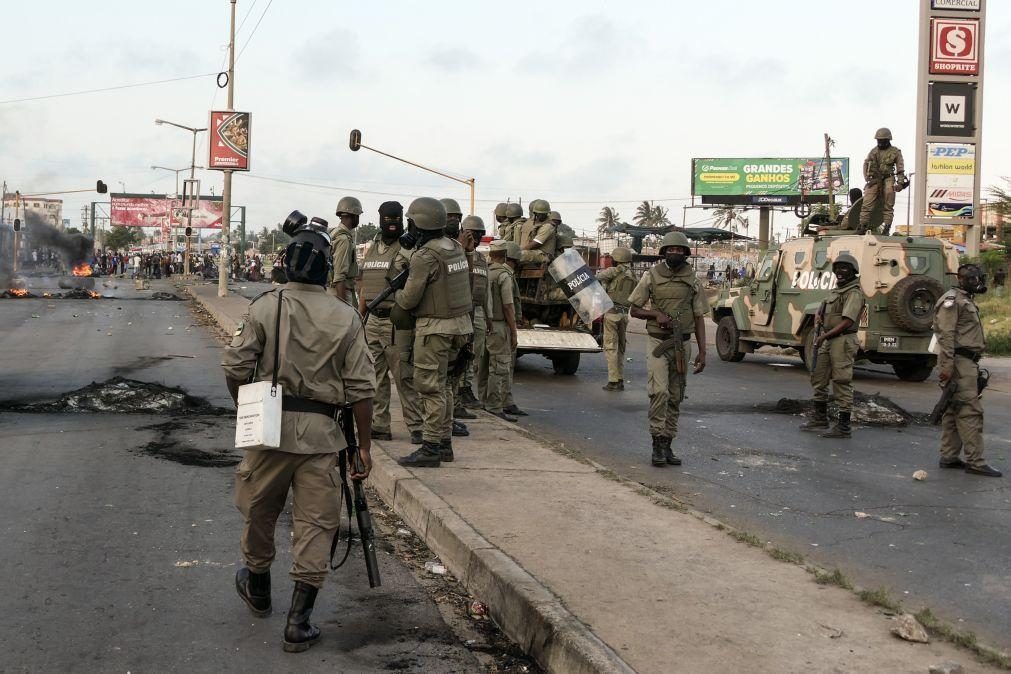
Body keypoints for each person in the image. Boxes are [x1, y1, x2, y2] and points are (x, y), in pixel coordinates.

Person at [222, 213, 376, 652]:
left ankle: (258, 588)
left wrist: (246, 407)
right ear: (328, 269)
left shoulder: (265, 305)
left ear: (286, 263)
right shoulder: (346, 317)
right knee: (316, 524)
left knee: (257, 510)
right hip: (323, 435)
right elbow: (362, 391)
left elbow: (234, 368)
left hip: (267, 429)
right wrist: (363, 449)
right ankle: (298, 621)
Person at [393, 197, 473, 467]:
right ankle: (444, 444)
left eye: (412, 222)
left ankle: (430, 448)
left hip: (435, 330)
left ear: (420, 223)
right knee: (446, 386)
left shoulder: (424, 256)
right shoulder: (454, 247)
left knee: (430, 388)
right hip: (460, 326)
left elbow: (408, 300)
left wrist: (398, 290)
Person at [629, 231, 708, 467]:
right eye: (670, 249)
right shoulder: (651, 276)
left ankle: (667, 443)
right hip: (658, 342)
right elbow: (634, 309)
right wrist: (655, 314)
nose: (675, 253)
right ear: (664, 253)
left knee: (675, 396)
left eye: (679, 250)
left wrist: (703, 352)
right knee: (659, 392)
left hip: (683, 345)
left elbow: (699, 317)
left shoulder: (693, 280)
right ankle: (656, 442)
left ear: (686, 253)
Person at [357, 201, 424, 445]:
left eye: (396, 218)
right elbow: (364, 286)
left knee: (404, 376)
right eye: (388, 218)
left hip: (397, 321)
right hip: (372, 320)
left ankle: (417, 427)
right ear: (380, 219)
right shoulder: (372, 247)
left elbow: (417, 284)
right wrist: (360, 317)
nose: (392, 223)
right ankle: (380, 426)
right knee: (375, 378)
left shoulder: (408, 249)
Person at [932, 264, 1002, 477]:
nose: (979, 283)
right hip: (959, 362)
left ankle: (949, 455)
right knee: (970, 411)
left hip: (966, 361)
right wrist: (947, 367)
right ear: (964, 280)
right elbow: (945, 335)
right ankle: (976, 461)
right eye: (975, 279)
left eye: (979, 279)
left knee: (954, 410)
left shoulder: (964, 300)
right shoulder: (952, 301)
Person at [799, 253, 864, 439]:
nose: (839, 272)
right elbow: (827, 311)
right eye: (837, 268)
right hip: (828, 339)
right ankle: (820, 417)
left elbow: (846, 321)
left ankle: (843, 427)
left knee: (842, 381)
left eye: (844, 268)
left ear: (853, 271)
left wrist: (824, 336)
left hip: (843, 340)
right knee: (818, 377)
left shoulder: (853, 292)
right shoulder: (836, 291)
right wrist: (820, 318)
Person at [456, 215, 490, 410]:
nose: (476, 238)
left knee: (473, 355)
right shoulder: (457, 254)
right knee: (461, 353)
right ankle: (459, 392)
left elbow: (484, 290)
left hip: (477, 311)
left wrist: (488, 316)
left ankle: (466, 388)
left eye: (479, 234)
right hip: (461, 311)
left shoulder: (481, 259)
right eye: (472, 233)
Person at [484, 240, 519, 421]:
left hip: (483, 324)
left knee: (484, 367)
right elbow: (508, 306)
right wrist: (513, 332)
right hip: (498, 325)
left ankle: (486, 401)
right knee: (499, 367)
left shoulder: (485, 272)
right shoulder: (504, 276)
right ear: (505, 256)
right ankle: (494, 406)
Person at [597, 246, 637, 391]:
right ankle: (620, 379)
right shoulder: (633, 275)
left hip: (612, 313)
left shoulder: (614, 271)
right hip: (625, 314)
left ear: (616, 259)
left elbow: (597, 278)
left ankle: (613, 381)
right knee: (621, 348)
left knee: (610, 347)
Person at [859, 128, 906, 234]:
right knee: (867, 201)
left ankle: (886, 228)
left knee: (889, 200)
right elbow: (866, 163)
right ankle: (863, 226)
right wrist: (866, 177)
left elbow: (900, 168)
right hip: (875, 179)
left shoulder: (895, 152)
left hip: (888, 177)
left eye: (882, 140)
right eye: (878, 140)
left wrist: (900, 183)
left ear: (888, 140)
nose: (880, 142)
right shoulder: (873, 151)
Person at [328, 196, 363, 305]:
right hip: (342, 292)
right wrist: (343, 308)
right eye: (357, 216)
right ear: (353, 216)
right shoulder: (343, 239)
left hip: (331, 292)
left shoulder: (333, 233)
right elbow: (339, 277)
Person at [519, 199, 556, 263]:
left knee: (520, 254)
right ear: (535, 213)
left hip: (544, 255)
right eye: (539, 214)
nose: (541, 216)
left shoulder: (548, 226)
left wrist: (519, 250)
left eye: (543, 214)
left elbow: (536, 243)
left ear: (547, 213)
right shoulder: (535, 223)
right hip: (535, 252)